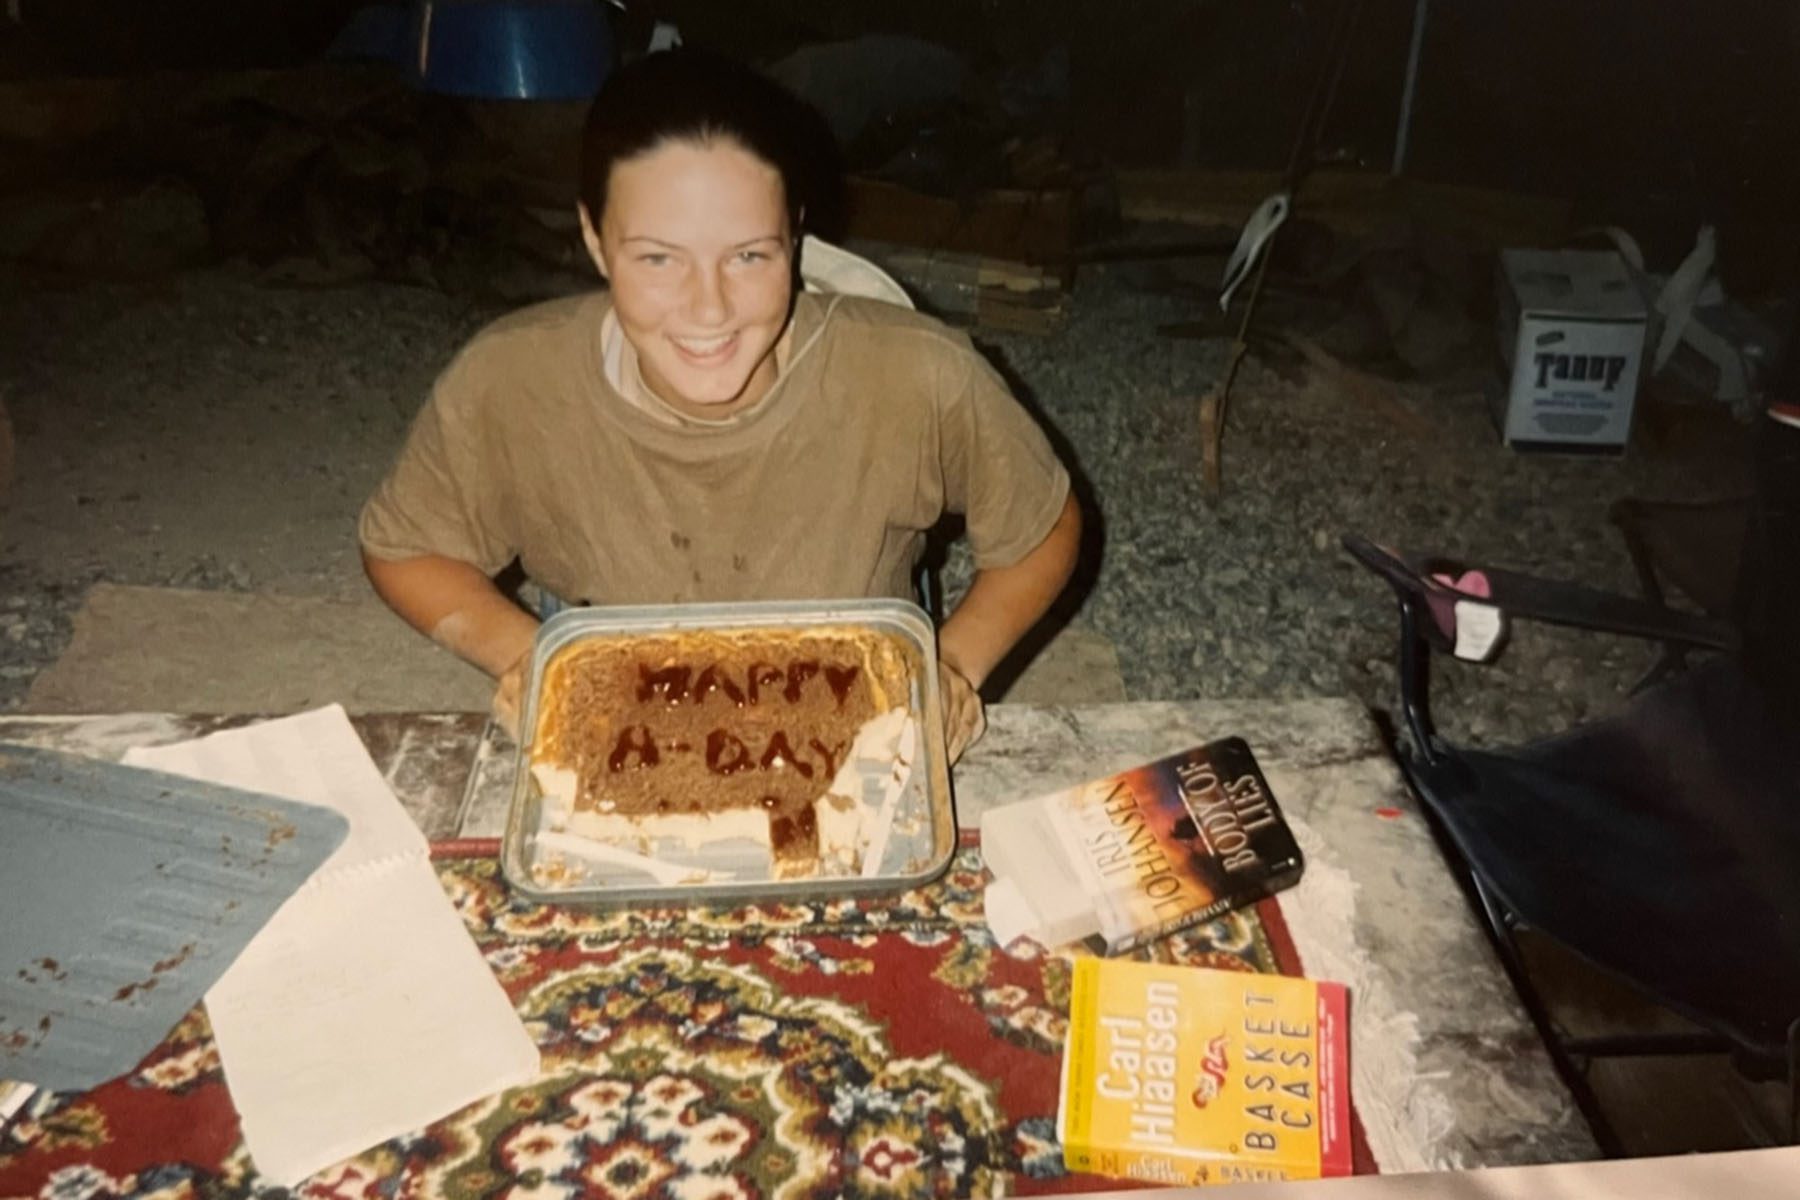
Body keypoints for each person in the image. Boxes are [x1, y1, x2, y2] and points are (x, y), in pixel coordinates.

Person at [358, 48, 1081, 762]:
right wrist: (527, 654)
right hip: (615, 660)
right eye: (658, 259)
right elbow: (405, 547)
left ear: (795, 232)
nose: (710, 309)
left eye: (749, 256)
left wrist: (953, 664)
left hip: (854, 666)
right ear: (594, 239)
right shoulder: (508, 380)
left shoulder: (917, 374)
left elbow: (1043, 525)